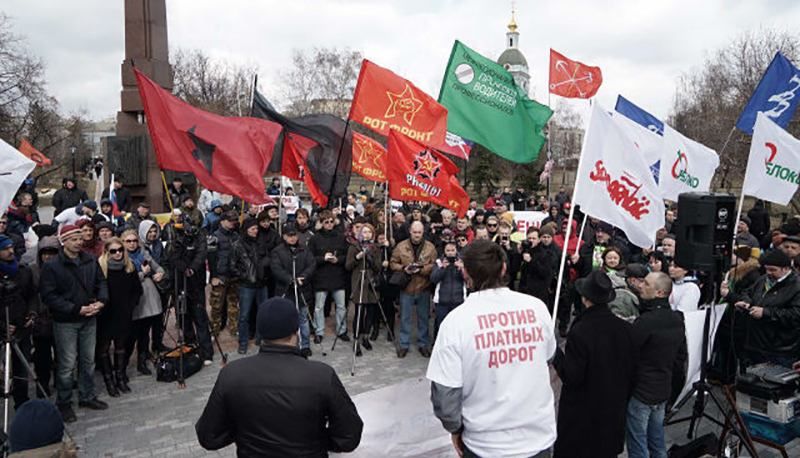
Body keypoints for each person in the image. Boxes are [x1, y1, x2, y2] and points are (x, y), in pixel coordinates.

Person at [427, 240, 557, 458]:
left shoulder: (456, 322)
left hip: (487, 443)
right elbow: (548, 357)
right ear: (504, 268)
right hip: (533, 438)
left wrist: (455, 428)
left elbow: (445, 394)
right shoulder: (537, 308)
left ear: (465, 272)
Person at [196, 297, 363, 456]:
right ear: (296, 331)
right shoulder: (322, 375)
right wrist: (318, 441)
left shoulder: (231, 374)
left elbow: (208, 436)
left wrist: (243, 434)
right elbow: (349, 436)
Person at [553, 270, 636, 458]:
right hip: (612, 412)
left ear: (584, 298)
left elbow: (572, 376)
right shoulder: (625, 329)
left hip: (583, 418)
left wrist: (556, 354)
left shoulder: (581, 331)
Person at [40, 224, 110, 423]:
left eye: (80, 238)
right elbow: (49, 295)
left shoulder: (90, 260)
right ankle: (64, 403)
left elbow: (101, 282)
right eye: (74, 239)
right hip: (66, 321)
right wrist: (74, 309)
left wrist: (101, 301)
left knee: (88, 361)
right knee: (67, 364)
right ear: (64, 241)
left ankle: (87, 396)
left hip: (90, 317)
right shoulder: (52, 266)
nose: (79, 242)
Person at [626, 272, 687, 458]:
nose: (641, 285)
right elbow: (680, 355)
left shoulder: (646, 321)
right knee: (657, 439)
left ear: (660, 292)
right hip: (662, 388)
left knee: (638, 444)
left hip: (642, 391)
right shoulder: (677, 319)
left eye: (646, 283)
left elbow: (629, 352)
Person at [732, 249, 800, 366]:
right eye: (766, 269)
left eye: (773, 270)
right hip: (755, 342)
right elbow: (748, 292)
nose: (768, 272)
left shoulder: (796, 286)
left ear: (786, 268)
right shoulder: (763, 279)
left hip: (779, 348)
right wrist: (746, 302)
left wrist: (766, 313)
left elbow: (796, 314)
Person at [96, 237, 142, 396]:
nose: (118, 254)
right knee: (104, 348)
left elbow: (137, 289)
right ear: (107, 252)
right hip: (105, 314)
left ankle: (120, 376)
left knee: (121, 346)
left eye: (120, 250)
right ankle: (109, 381)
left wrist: (130, 305)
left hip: (123, 313)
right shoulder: (100, 268)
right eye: (113, 251)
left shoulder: (129, 268)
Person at [121, 228, 164, 376]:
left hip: (148, 295)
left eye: (134, 241)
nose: (132, 244)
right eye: (128, 241)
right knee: (130, 336)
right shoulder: (120, 256)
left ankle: (142, 361)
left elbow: (156, 266)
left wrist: (159, 273)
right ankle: (121, 367)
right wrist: (142, 273)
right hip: (132, 298)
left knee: (144, 334)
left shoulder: (143, 253)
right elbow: (126, 280)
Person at [0, 235, 36, 409]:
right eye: (5, 249)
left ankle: (22, 401)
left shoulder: (23, 270)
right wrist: (3, 326)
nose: (10, 251)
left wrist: (31, 313)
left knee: (22, 366)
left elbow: (32, 295)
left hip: (22, 327)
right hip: (4, 327)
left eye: (11, 247)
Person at [391, 220, 436, 358]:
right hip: (407, 287)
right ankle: (404, 345)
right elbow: (393, 263)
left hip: (423, 286)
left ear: (423, 232)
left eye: (419, 232)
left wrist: (421, 269)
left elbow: (434, 265)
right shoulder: (401, 246)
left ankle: (423, 344)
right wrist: (404, 268)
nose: (417, 235)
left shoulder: (430, 247)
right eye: (415, 232)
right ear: (410, 231)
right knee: (405, 318)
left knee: (423, 318)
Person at [309, 210, 350, 343]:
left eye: (331, 221)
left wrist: (337, 260)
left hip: (337, 275)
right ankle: (319, 331)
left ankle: (341, 330)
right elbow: (310, 258)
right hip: (321, 276)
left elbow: (346, 256)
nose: (329, 224)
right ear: (321, 223)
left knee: (341, 306)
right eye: (326, 222)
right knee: (319, 307)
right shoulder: (315, 238)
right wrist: (323, 258)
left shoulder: (340, 237)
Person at [232, 219, 270, 354]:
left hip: (261, 283)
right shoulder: (238, 245)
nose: (256, 231)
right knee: (244, 315)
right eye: (253, 229)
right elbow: (232, 265)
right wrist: (244, 275)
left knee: (263, 312)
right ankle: (243, 342)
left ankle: (261, 338)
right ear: (246, 229)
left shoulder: (261, 242)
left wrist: (264, 265)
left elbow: (267, 257)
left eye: (256, 228)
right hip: (246, 284)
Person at [345, 223, 383, 356]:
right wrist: (358, 257)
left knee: (370, 312)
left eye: (369, 232)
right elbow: (348, 266)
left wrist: (371, 259)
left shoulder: (376, 248)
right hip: (359, 282)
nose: (366, 235)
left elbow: (378, 267)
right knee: (359, 312)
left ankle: (365, 336)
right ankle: (356, 339)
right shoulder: (354, 247)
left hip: (371, 283)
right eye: (364, 232)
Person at [209, 211, 240, 337]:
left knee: (233, 305)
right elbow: (211, 258)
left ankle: (233, 328)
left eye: (234, 220)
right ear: (222, 221)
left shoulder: (236, 236)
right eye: (229, 220)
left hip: (234, 276)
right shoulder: (214, 236)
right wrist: (213, 276)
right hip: (220, 276)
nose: (232, 223)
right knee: (216, 306)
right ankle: (214, 330)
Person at [430, 241, 466, 339]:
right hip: (442, 301)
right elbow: (433, 279)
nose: (450, 253)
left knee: (457, 327)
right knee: (441, 326)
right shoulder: (438, 262)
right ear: (444, 252)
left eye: (452, 250)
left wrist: (462, 269)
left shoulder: (462, 262)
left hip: (458, 301)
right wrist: (442, 268)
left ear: (456, 251)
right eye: (448, 250)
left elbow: (469, 281)